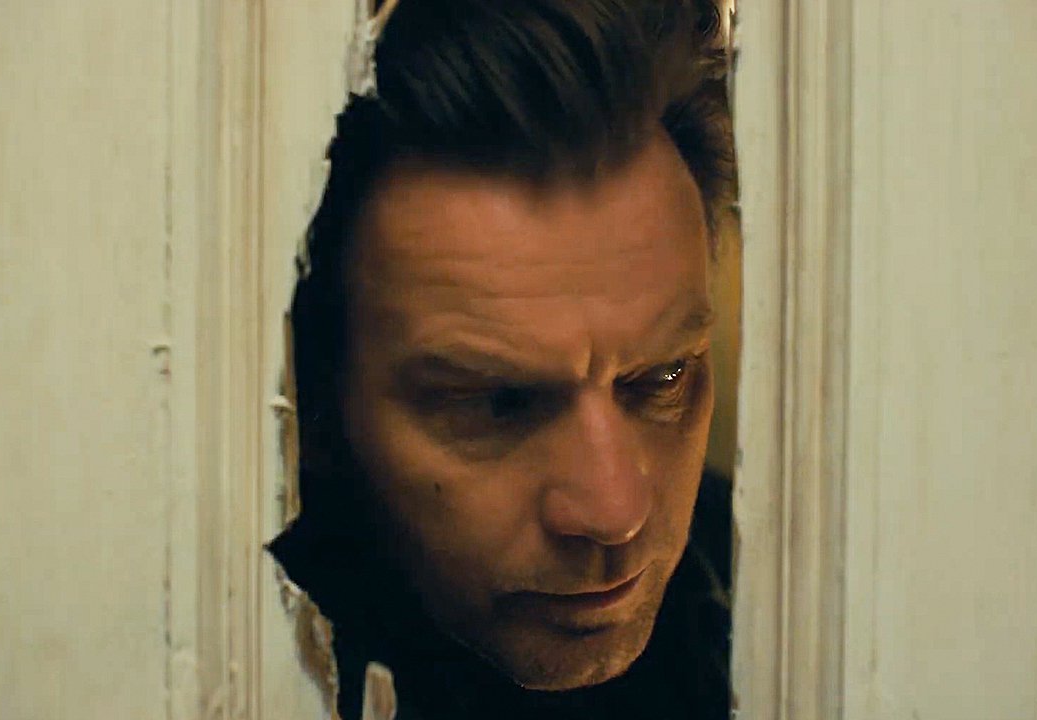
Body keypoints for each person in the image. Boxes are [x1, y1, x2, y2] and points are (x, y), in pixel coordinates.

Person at [268, 0, 737, 717]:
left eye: (661, 378)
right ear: (316, 406)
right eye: (498, 404)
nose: (615, 512)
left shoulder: (772, 593)